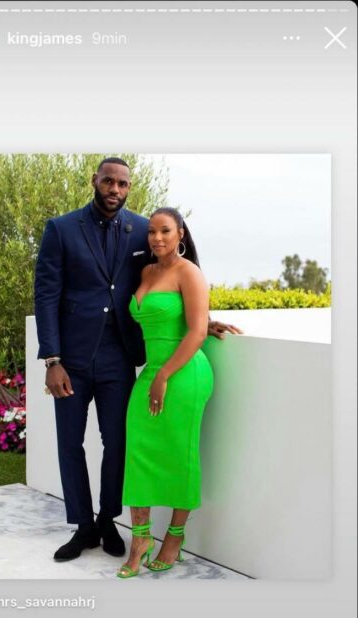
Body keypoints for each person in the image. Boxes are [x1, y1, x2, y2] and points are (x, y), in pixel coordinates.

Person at [34, 158, 242, 565]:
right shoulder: (61, 229)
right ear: (95, 181)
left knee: (119, 445)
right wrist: (52, 359)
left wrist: (202, 321)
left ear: (129, 188)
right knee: (69, 444)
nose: (115, 188)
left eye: (122, 183)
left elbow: (170, 279)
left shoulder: (143, 229)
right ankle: (82, 526)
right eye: (108, 181)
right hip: (71, 360)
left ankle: (109, 519)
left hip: (119, 359)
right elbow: (46, 295)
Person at [116, 208, 216, 578]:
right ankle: (140, 538)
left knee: (179, 452)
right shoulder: (146, 272)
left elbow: (196, 332)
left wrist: (164, 377)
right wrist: (154, 376)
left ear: (181, 235)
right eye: (152, 232)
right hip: (153, 372)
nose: (157, 238)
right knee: (138, 449)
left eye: (165, 231)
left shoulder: (190, 273)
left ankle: (174, 538)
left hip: (184, 373)